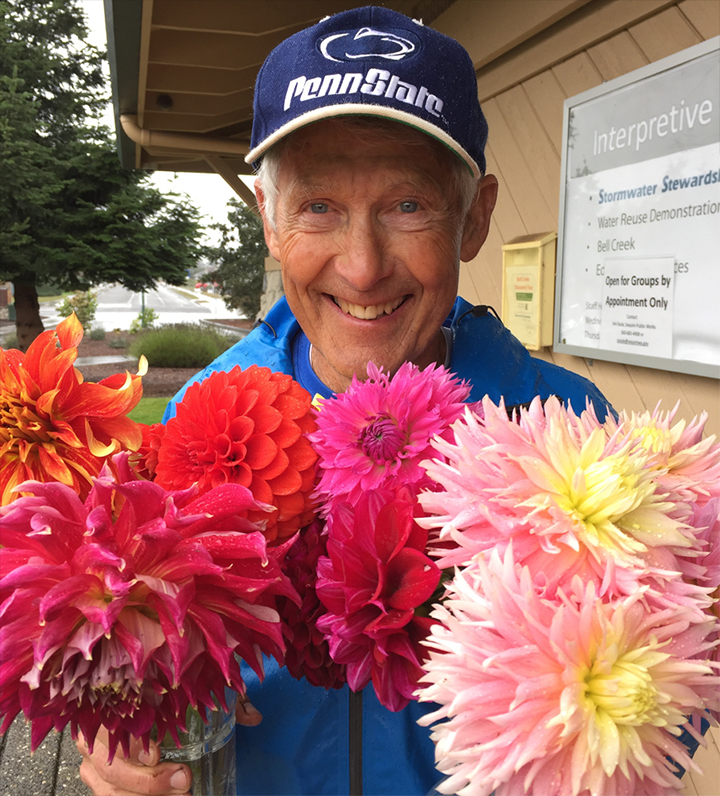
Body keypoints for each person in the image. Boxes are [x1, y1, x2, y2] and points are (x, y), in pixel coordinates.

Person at [77, 6, 612, 795]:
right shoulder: (202, 416)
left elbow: (663, 676)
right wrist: (118, 729)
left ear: (476, 217)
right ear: (268, 217)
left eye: (407, 205)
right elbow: (131, 644)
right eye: (319, 207)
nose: (362, 268)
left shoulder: (572, 430)